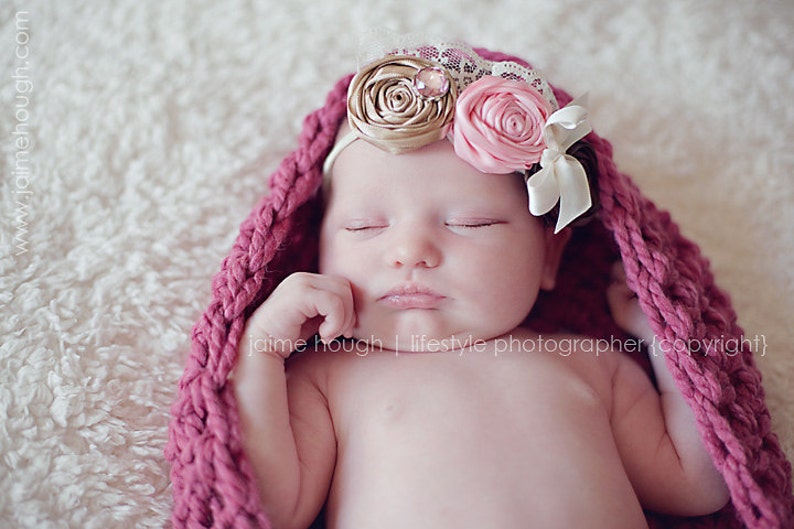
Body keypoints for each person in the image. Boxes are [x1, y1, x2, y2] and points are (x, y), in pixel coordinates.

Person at [232, 41, 729, 529]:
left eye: (472, 223)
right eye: (364, 226)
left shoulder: (592, 364)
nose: (410, 252)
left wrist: (663, 337)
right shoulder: (326, 378)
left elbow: (695, 485)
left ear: (548, 257)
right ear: (314, 247)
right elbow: (270, 508)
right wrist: (261, 350)